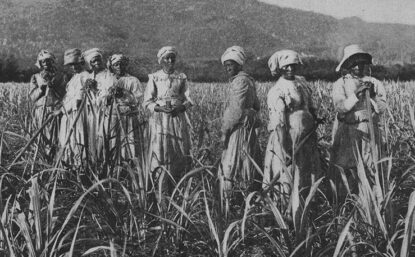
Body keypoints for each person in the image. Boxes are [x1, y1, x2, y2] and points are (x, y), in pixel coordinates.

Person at [263, 50, 321, 207]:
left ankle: (307, 203)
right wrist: (284, 148)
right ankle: (287, 208)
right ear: (280, 68)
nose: (290, 69)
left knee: (306, 169)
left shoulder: (302, 82)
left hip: (307, 136)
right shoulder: (277, 90)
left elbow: (310, 104)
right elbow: (279, 122)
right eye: (286, 67)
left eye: (293, 66)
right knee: (289, 171)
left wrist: (315, 117)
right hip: (289, 137)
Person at [330, 44, 386, 195]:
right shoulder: (340, 83)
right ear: (348, 65)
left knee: (371, 165)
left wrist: (373, 96)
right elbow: (341, 108)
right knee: (349, 165)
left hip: (370, 130)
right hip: (350, 130)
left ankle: (371, 201)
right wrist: (356, 95)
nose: (359, 66)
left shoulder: (374, 83)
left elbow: (381, 109)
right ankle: (348, 202)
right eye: (355, 63)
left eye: (362, 63)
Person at [143, 46, 193, 197]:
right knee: (160, 150)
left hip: (177, 119)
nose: (170, 61)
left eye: (172, 58)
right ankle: (160, 187)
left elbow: (189, 99)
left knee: (177, 149)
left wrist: (181, 107)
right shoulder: (154, 77)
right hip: (160, 120)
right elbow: (147, 102)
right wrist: (160, 108)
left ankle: (177, 188)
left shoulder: (181, 77)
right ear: (161, 61)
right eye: (167, 58)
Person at [219, 46, 261, 211]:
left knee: (233, 164)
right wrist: (250, 114)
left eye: (231, 64)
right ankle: (247, 201)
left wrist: (225, 132)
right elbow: (257, 105)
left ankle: (231, 204)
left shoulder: (240, 82)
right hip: (248, 129)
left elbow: (235, 112)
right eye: (226, 65)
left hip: (238, 130)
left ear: (239, 64)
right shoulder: (249, 80)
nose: (228, 68)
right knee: (247, 162)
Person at [107, 54, 146, 163]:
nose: (119, 67)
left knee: (129, 141)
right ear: (112, 66)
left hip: (128, 116)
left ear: (125, 65)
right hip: (113, 116)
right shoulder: (108, 79)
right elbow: (102, 98)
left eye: (121, 64)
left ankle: (130, 165)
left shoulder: (132, 80)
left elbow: (139, 99)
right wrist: (109, 95)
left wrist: (124, 93)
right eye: (116, 65)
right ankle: (115, 165)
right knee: (114, 141)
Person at [29, 49, 66, 160]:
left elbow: (66, 94)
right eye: (43, 61)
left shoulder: (61, 76)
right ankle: (43, 162)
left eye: (48, 61)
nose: (46, 63)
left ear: (52, 61)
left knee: (57, 139)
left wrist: (53, 86)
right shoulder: (36, 77)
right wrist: (41, 88)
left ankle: (56, 162)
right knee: (42, 138)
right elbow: (32, 97)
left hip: (55, 111)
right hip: (41, 111)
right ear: (40, 63)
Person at [82, 48, 117, 162]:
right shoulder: (89, 76)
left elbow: (108, 96)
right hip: (91, 114)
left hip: (104, 113)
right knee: (92, 138)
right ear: (90, 64)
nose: (96, 63)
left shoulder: (109, 75)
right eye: (93, 61)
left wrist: (94, 90)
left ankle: (105, 163)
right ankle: (93, 163)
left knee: (103, 137)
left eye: (98, 60)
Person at [58, 48, 89, 166]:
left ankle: (79, 168)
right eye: (71, 65)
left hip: (78, 114)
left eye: (76, 64)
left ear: (81, 62)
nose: (73, 67)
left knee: (77, 139)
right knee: (68, 140)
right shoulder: (74, 77)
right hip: (69, 114)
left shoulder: (84, 76)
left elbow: (78, 99)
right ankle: (70, 166)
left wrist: (61, 110)